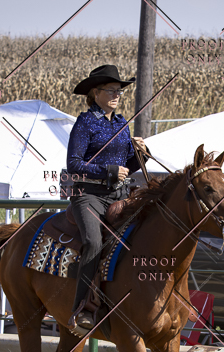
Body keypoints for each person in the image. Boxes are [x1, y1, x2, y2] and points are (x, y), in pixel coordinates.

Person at [66, 64, 147, 334]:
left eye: (119, 91)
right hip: (88, 195)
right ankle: (81, 309)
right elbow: (74, 164)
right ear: (95, 93)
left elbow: (127, 167)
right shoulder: (85, 122)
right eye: (111, 90)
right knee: (93, 242)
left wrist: (141, 155)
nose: (116, 95)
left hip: (119, 195)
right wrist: (108, 171)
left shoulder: (122, 123)